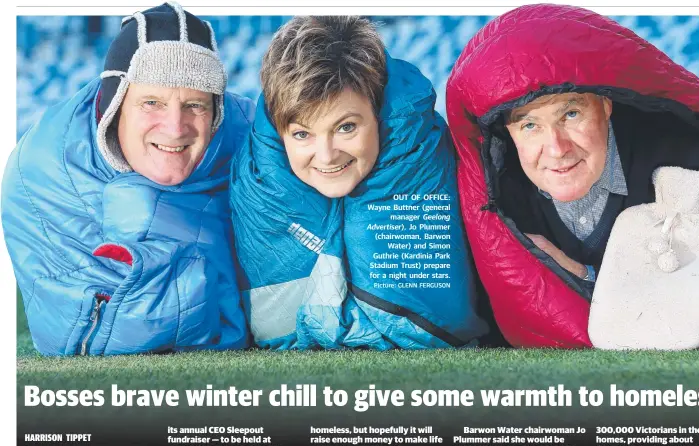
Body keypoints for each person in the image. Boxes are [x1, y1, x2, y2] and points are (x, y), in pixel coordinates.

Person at [445, 4, 699, 348]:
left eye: (571, 114)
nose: (556, 148)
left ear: (605, 104)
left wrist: (577, 275)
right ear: (508, 134)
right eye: (530, 126)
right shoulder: (499, 199)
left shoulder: (696, 168)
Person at [2, 2, 254, 355]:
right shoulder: (45, 168)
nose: (175, 128)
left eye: (196, 104)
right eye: (152, 102)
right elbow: (81, 335)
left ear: (217, 110)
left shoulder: (248, 134)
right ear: (115, 107)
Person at [230, 16, 493, 350]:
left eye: (346, 127)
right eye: (302, 134)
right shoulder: (257, 178)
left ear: (379, 117)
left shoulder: (428, 155)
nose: (325, 156)